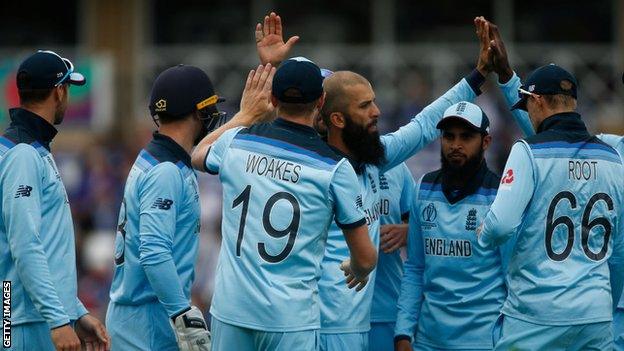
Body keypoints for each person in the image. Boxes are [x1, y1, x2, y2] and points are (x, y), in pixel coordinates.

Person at [253, 12, 487, 351]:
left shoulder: (377, 154)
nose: (376, 111)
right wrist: (270, 75)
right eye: (365, 105)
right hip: (311, 320)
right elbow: (267, 127)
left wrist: (477, 76)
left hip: (371, 317)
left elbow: (422, 126)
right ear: (330, 113)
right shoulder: (303, 165)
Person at [191, 56, 377, 351]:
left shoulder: (236, 141)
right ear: (321, 101)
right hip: (290, 318)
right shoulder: (336, 168)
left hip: (231, 309)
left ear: (273, 99)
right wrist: (357, 268)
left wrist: (244, 115)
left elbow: (198, 154)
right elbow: (366, 258)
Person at [475, 17, 624, 350]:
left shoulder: (528, 151)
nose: (527, 111)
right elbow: (620, 253)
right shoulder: (613, 157)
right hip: (595, 314)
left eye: (527, 103)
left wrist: (482, 232)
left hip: (536, 313)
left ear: (538, 101)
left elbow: (500, 226)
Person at [105, 63, 274, 351]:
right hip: (147, 324)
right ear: (199, 112)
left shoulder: (160, 157)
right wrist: (182, 314)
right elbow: (154, 251)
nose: (213, 116)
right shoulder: (166, 171)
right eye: (209, 108)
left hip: (143, 316)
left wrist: (246, 117)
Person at [0, 50, 109, 351]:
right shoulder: (23, 154)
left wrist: (73, 311)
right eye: (69, 88)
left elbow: (47, 248)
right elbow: (24, 245)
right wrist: (58, 320)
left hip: (29, 317)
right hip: (21, 321)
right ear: (59, 91)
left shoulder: (29, 148)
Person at [394, 101, 510, 351]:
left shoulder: (501, 195)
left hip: (484, 342)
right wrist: (403, 332)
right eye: (449, 136)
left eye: (466, 137)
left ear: (486, 142)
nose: (455, 145)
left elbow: (512, 277)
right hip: (428, 341)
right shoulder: (423, 188)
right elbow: (415, 267)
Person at [368, 163, 414, 351]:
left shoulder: (396, 166)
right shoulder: (325, 163)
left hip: (386, 308)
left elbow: (423, 224)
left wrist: (408, 232)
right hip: (333, 311)